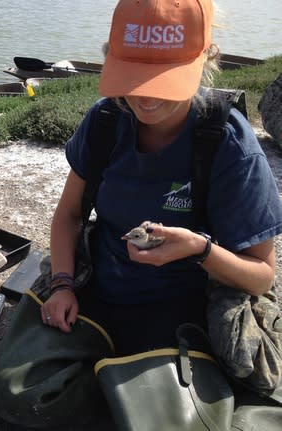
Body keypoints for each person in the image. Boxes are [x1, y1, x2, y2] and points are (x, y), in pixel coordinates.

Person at [41, 0, 282, 356]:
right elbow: (69, 215)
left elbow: (261, 275)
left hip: (184, 314)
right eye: (133, 76)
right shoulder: (105, 121)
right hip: (97, 294)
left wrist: (200, 250)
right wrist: (62, 284)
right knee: (24, 394)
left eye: (165, 80)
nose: (146, 96)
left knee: (151, 409)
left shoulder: (226, 143)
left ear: (206, 60)